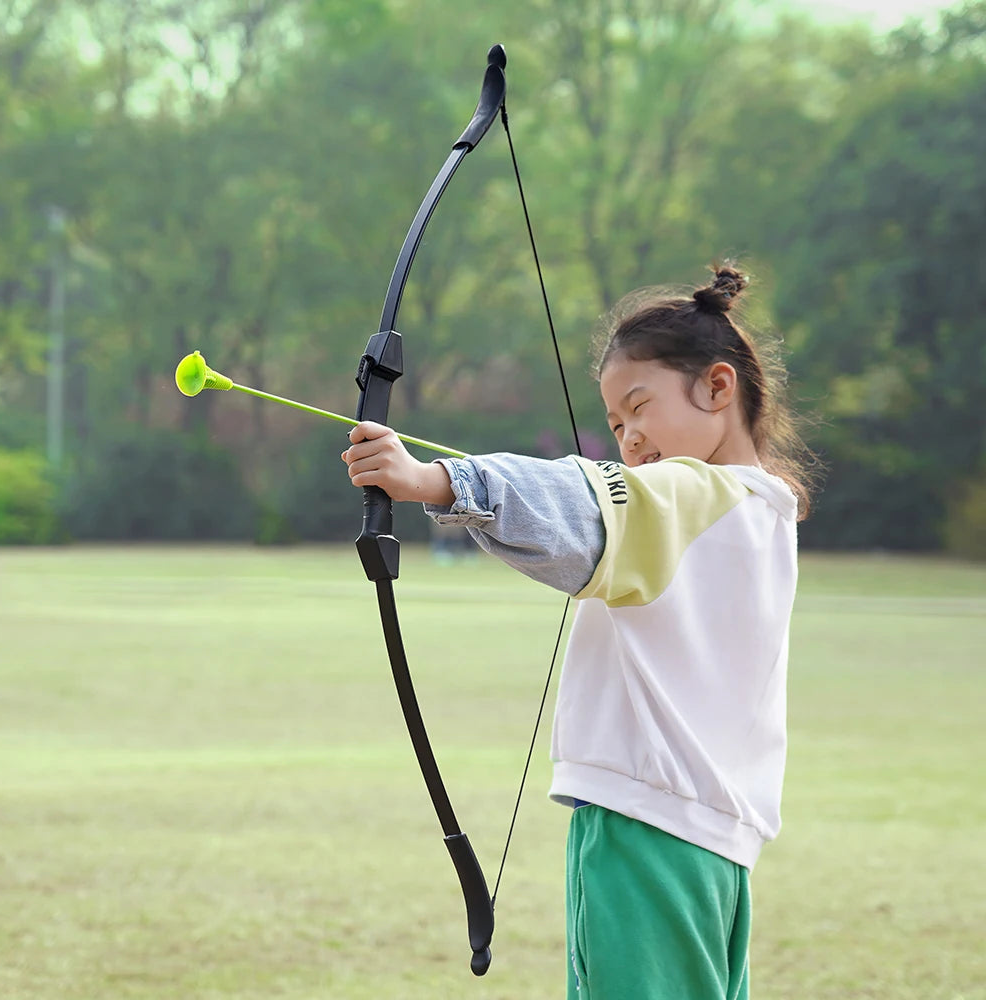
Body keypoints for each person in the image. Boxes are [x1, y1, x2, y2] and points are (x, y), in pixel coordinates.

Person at [341, 264, 811, 1000]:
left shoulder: (691, 496)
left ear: (719, 387)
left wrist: (432, 480)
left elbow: (578, 506)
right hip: (715, 849)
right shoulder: (763, 512)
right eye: (616, 425)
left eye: (640, 407)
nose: (629, 437)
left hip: (646, 830)